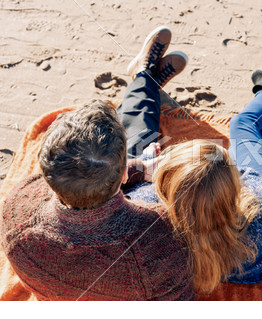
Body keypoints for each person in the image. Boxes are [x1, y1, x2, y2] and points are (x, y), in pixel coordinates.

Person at [1, 26, 194, 300]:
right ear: (124, 171)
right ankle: (144, 79)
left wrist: (134, 168)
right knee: (138, 136)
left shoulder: (16, 207)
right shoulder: (159, 238)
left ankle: (145, 79)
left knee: (127, 138)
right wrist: (145, 170)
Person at [126, 68, 262, 293]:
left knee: (249, 142)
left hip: (231, 259)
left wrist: (146, 165)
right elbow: (252, 176)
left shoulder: (148, 218)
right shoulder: (260, 206)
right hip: (255, 248)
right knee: (242, 128)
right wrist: (223, 171)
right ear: (233, 190)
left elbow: (124, 190)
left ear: (163, 186)